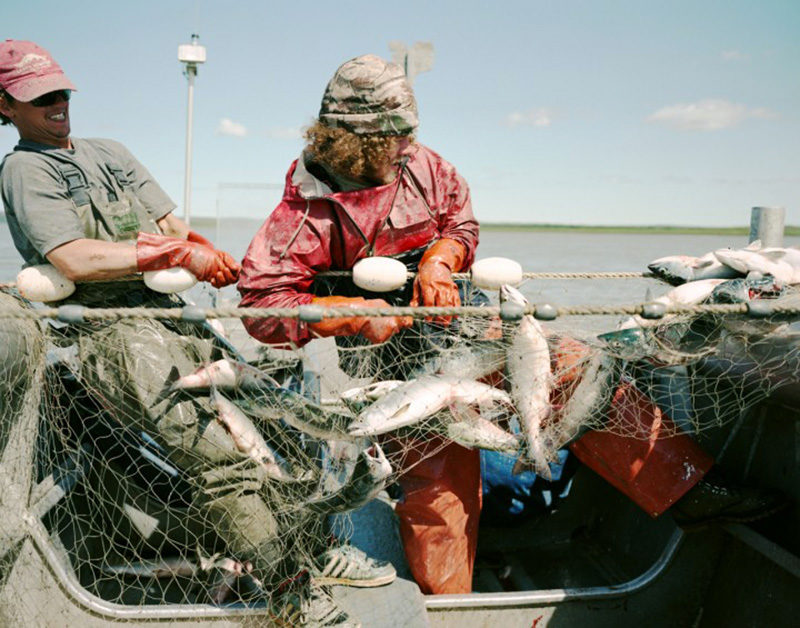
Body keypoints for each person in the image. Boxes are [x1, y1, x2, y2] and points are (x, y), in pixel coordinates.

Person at [0, 40, 392, 625]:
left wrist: (218, 262)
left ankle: (317, 547)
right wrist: (170, 250)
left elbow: (171, 226)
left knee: (280, 422)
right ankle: (292, 594)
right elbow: (74, 259)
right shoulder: (25, 170)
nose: (57, 105)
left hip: (178, 318)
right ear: (6, 107)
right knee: (221, 459)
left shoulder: (111, 151)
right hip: (115, 335)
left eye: (61, 92)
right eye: (39, 99)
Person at [238, 54, 486, 594]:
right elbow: (260, 304)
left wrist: (441, 260)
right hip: (387, 361)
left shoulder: (422, 165)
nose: (408, 144)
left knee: (572, 365)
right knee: (439, 467)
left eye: (411, 130)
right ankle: (452, 607)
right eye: (395, 133)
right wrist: (349, 315)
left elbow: (460, 218)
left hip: (466, 328)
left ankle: (699, 502)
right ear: (358, 140)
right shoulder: (307, 209)